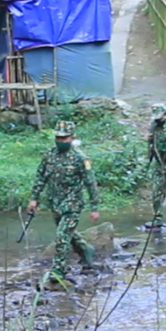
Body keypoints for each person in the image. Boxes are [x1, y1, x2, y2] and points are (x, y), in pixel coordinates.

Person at [28, 121, 101, 287]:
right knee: (68, 233)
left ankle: (59, 270)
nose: (60, 141)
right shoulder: (49, 155)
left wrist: (94, 207)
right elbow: (41, 177)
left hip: (72, 204)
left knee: (62, 236)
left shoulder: (80, 159)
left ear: (72, 138)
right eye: (58, 138)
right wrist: (34, 198)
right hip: (55, 203)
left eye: (64, 138)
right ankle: (85, 250)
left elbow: (91, 183)